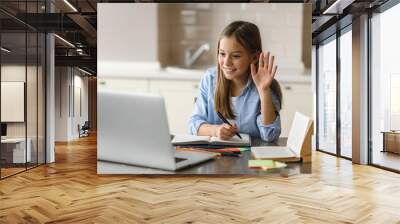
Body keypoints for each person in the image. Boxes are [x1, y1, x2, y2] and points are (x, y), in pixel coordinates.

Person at [188, 20, 283, 142]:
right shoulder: (210, 79)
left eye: (236, 56)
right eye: (222, 54)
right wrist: (215, 130)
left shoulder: (265, 87)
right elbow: (193, 124)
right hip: (216, 156)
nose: (226, 62)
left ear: (254, 57)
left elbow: (270, 135)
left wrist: (263, 91)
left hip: (251, 157)